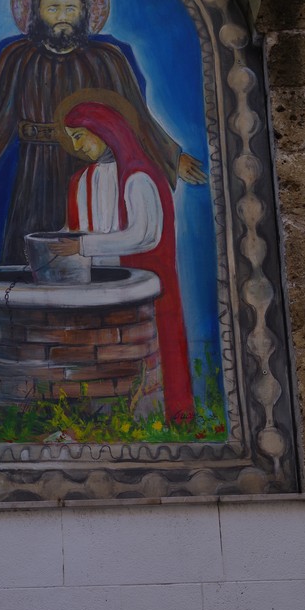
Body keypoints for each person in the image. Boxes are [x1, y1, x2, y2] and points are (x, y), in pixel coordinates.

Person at [0, 0, 206, 266]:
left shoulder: (108, 59)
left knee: (85, 238)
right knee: (27, 247)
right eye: (53, 9)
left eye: (71, 9)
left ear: (84, 13)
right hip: (32, 170)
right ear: (36, 14)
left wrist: (171, 157)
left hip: (87, 162)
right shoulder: (16, 58)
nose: (62, 16)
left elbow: (134, 115)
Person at [54, 96, 195, 423]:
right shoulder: (80, 181)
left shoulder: (139, 176)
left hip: (142, 288)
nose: (76, 146)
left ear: (103, 130)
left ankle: (161, 417)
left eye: (80, 136)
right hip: (97, 290)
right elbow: (74, 228)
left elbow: (144, 235)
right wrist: (54, 242)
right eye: (72, 139)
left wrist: (82, 246)